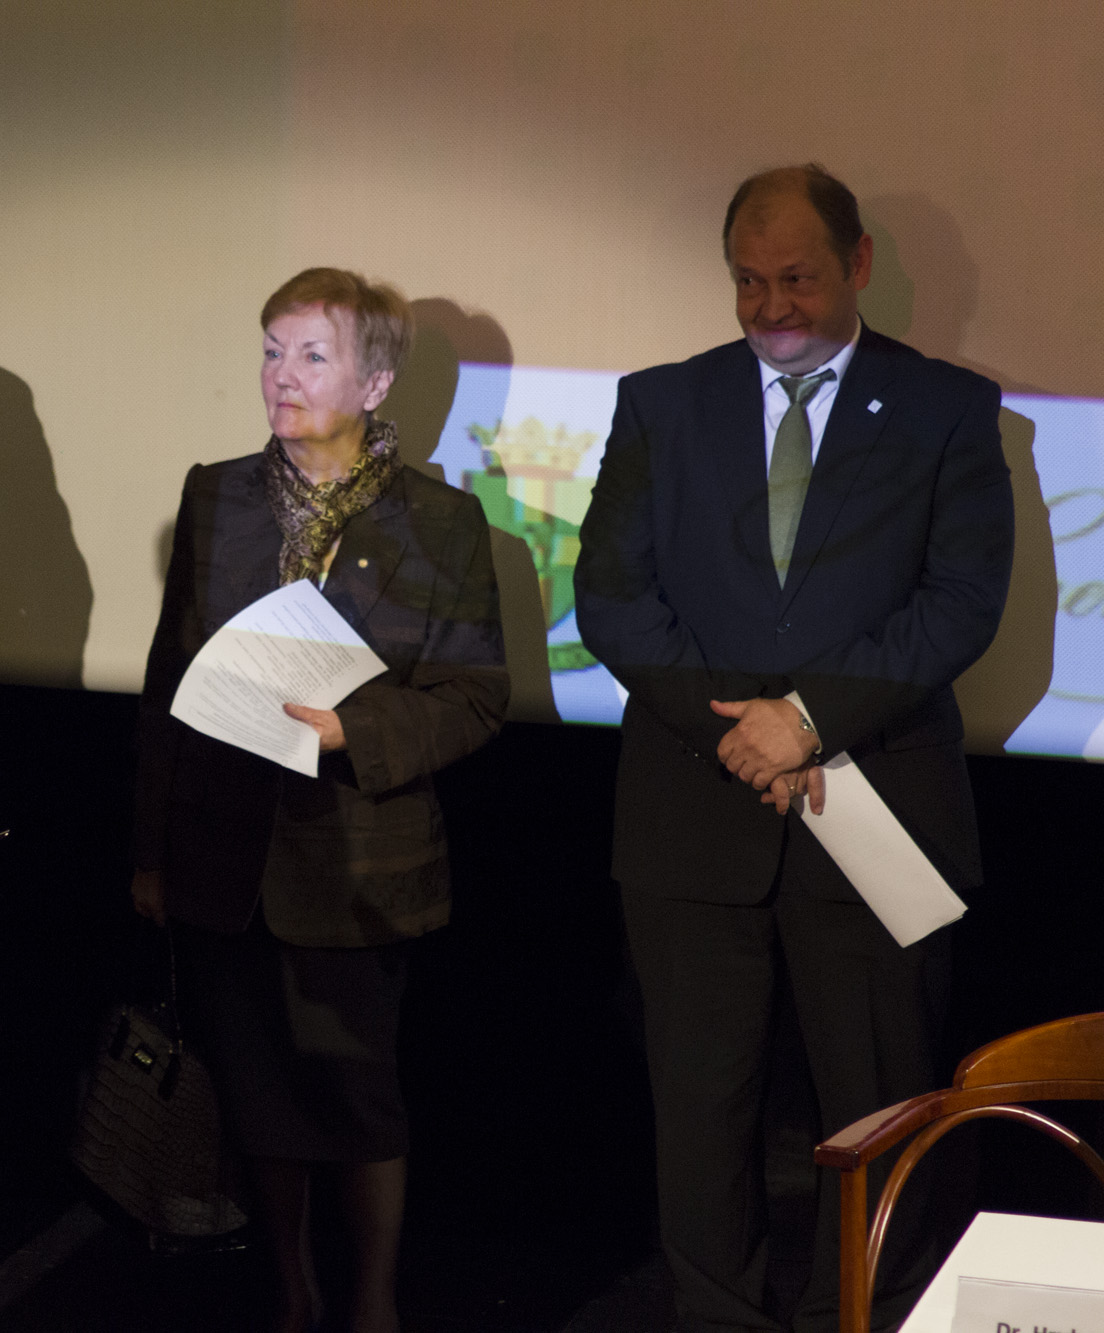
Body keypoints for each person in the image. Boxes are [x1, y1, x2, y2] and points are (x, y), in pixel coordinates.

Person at [574, 164, 1013, 1333]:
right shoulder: (659, 405)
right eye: (747, 281)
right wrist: (743, 733)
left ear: (856, 263)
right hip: (690, 815)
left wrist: (806, 720)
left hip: (876, 810)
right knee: (697, 1108)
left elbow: (960, 601)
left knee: (877, 1104)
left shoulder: (945, 410)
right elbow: (610, 596)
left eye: (796, 278)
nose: (770, 305)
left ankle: (852, 1315)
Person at [131, 268, 507, 1333]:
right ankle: (290, 1294)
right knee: (258, 1097)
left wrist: (357, 731)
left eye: (310, 355)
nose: (280, 376)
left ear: (373, 383)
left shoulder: (441, 521)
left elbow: (477, 696)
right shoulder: (216, 495)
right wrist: (151, 852)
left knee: (357, 1095)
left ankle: (372, 1300)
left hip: (361, 860)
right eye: (270, 351)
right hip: (224, 858)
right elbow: (168, 684)